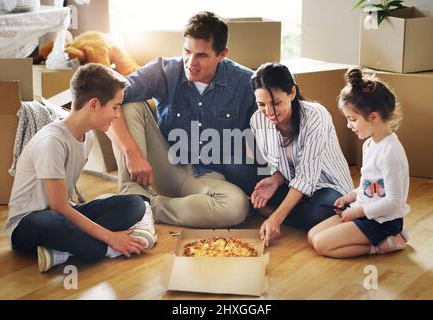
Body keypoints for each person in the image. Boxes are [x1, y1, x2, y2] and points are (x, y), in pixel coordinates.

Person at [108, 11, 259, 228]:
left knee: (236, 207)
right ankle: (133, 198)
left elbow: (268, 137)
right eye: (187, 51)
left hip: (209, 177)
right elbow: (105, 97)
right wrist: (132, 153)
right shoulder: (165, 70)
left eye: (202, 55)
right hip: (166, 166)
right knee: (127, 102)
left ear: (222, 54)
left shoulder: (245, 83)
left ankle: (148, 208)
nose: (191, 62)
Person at [4, 63, 156, 273]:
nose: (117, 115)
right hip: (29, 223)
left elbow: (66, 208)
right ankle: (97, 248)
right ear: (94, 104)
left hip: (64, 214)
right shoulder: (52, 142)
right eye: (114, 107)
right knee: (73, 236)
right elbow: (58, 207)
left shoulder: (88, 138)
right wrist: (110, 236)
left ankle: (61, 251)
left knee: (134, 204)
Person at [307, 68, 410, 258]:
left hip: (382, 221)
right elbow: (371, 186)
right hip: (362, 211)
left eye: (352, 119)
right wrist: (350, 196)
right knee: (312, 236)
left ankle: (385, 243)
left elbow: (394, 202)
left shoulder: (391, 151)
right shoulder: (370, 144)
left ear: (374, 117)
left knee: (322, 245)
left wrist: (357, 213)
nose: (349, 126)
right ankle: (381, 238)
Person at [250, 63, 353, 246]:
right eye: (261, 104)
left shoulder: (315, 116)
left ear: (292, 93)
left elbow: (307, 176)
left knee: (319, 213)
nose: (269, 112)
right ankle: (292, 211)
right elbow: (283, 163)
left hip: (328, 185)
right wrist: (275, 179)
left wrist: (276, 218)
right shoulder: (258, 120)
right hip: (293, 184)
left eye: (276, 102)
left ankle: (284, 213)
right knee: (256, 194)